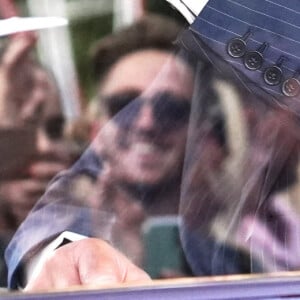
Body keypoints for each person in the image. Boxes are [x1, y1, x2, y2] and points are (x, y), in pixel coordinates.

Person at [5, 14, 195, 290]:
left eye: (170, 108)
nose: (146, 122)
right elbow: (38, 238)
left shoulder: (233, 246)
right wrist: (65, 259)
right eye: (124, 104)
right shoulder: (65, 203)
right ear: (96, 126)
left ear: (195, 127)